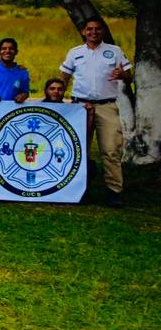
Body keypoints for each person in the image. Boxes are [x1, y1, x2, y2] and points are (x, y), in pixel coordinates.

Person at [59, 16, 132, 206]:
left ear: (103, 31)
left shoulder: (114, 51)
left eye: (97, 29)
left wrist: (123, 75)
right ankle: (78, 189)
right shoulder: (75, 52)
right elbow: (64, 77)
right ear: (83, 32)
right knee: (78, 149)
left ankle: (114, 191)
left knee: (110, 149)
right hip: (80, 106)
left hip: (106, 106)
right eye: (89, 29)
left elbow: (128, 76)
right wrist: (58, 99)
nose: (93, 32)